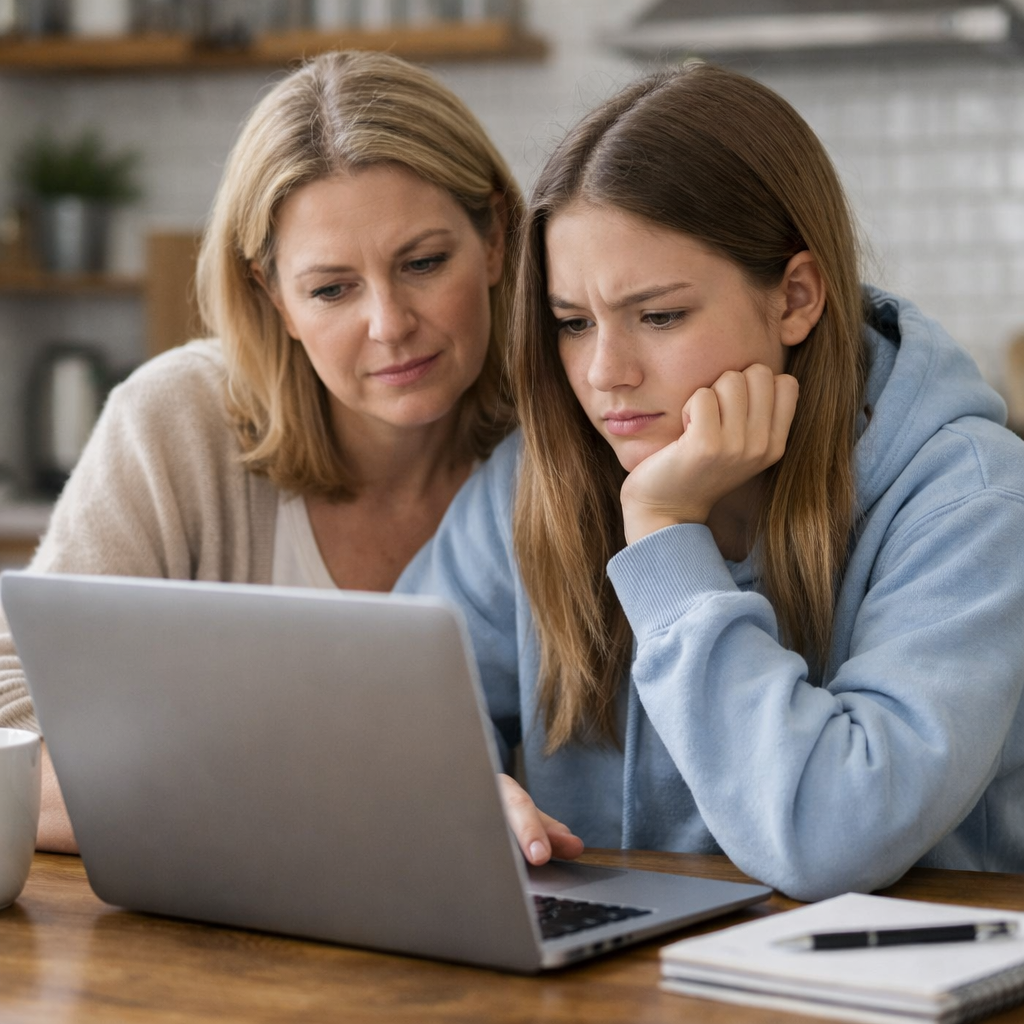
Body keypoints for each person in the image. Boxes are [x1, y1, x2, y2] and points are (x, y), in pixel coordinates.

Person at [396, 61, 1024, 901]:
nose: (605, 373)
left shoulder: (972, 502)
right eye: (573, 324)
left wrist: (663, 534)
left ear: (795, 297)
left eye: (659, 316)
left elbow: (833, 838)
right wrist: (453, 793)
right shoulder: (536, 479)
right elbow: (373, 706)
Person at [0, 49, 520, 853]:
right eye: (331, 288)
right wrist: (310, 805)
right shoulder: (178, 419)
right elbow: (14, 709)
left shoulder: (568, 434)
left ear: (494, 240)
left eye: (423, 263)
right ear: (271, 295)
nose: (388, 323)